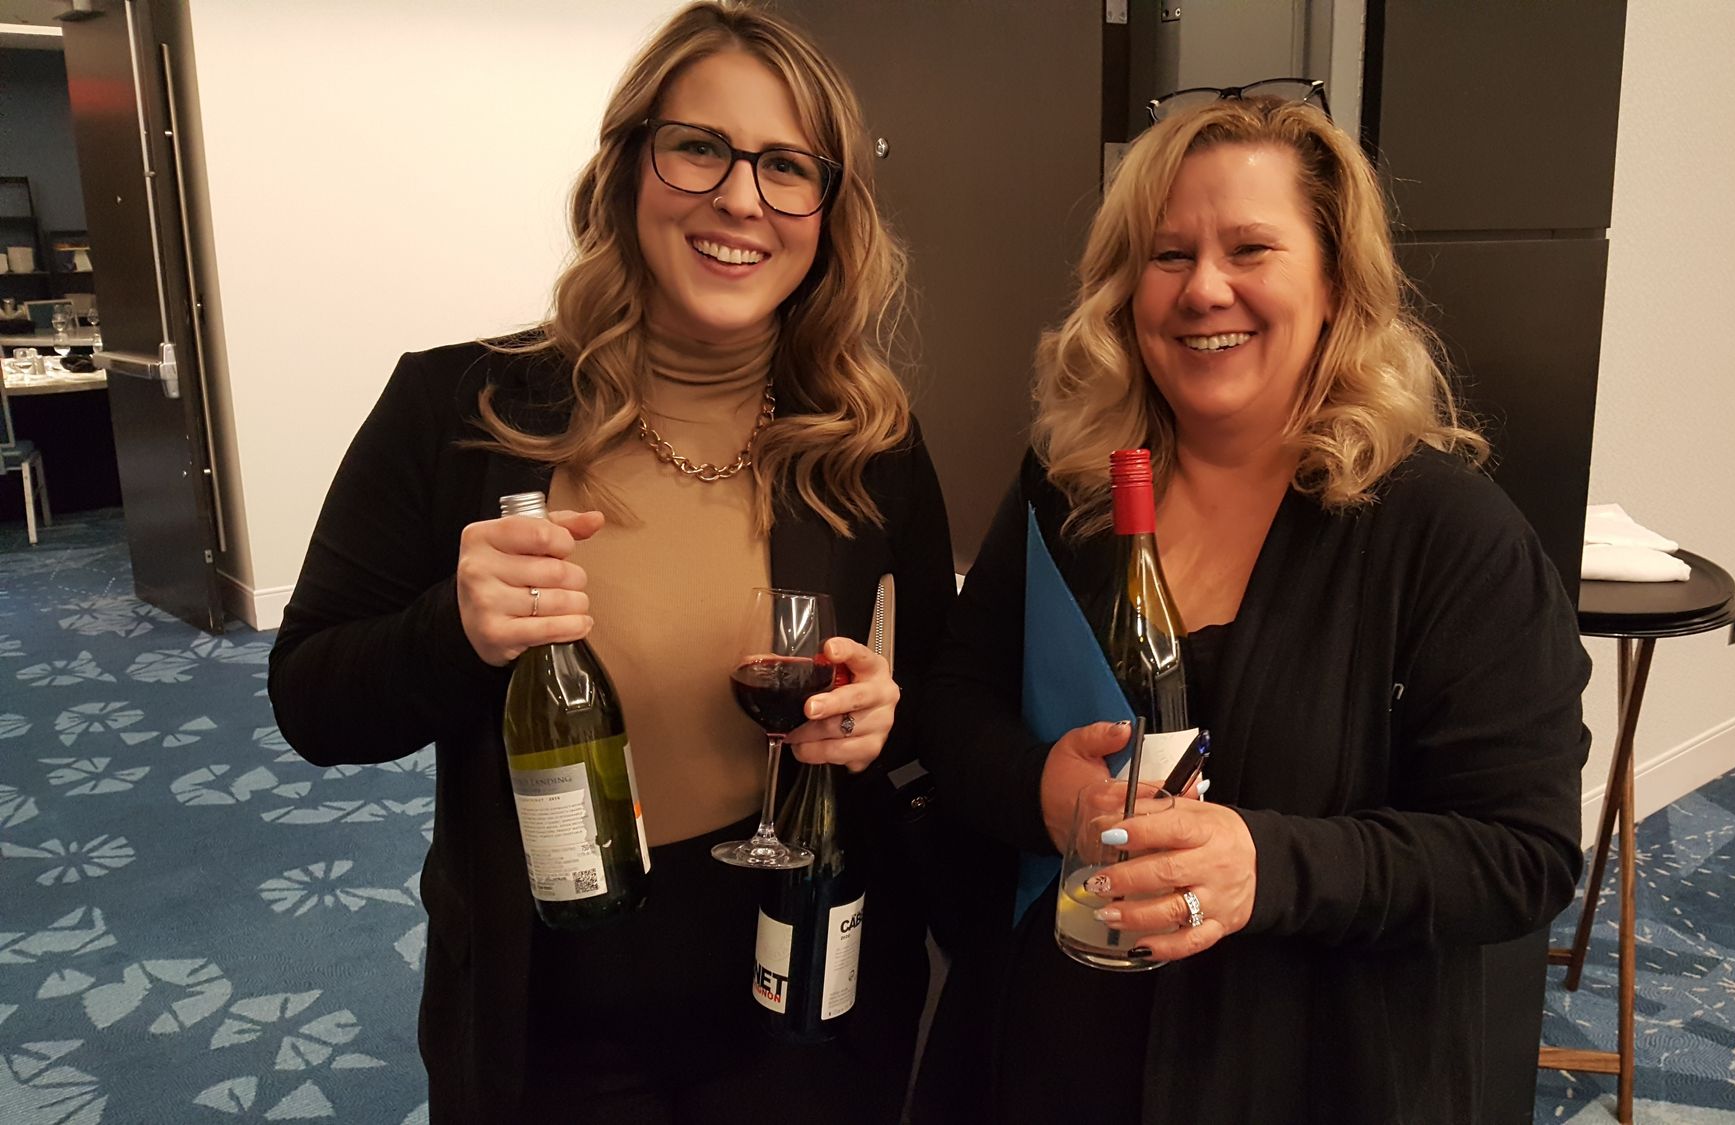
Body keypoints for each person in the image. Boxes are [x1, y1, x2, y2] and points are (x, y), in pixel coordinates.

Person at [268, 5, 955, 1122]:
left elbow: (936, 698)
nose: (741, 198)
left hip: (799, 987)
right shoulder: (457, 410)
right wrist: (455, 628)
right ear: (629, 165)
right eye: (700, 148)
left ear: (828, 214)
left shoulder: (866, 445)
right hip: (558, 1013)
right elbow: (311, 702)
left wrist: (888, 717)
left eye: (787, 167)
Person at [913, 91, 1591, 1124]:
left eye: (1250, 249)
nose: (1204, 289)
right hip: (1051, 1058)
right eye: (1169, 254)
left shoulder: (1447, 534)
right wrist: (1041, 796)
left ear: (1334, 285)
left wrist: (1264, 868)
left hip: (1309, 1072)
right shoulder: (1073, 491)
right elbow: (955, 704)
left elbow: (1517, 854)